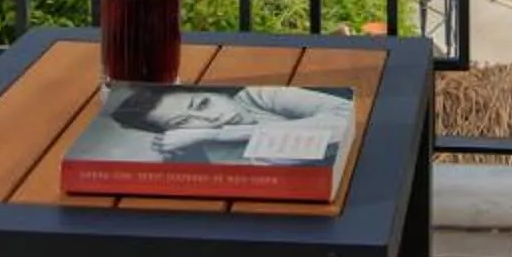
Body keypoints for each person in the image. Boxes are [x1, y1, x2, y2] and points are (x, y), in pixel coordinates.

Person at [98, 83, 348, 164]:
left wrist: (217, 134)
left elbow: (348, 118)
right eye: (184, 122)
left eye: (203, 104)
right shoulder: (219, 163)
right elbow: (329, 139)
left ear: (218, 92)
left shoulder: (253, 97)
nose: (210, 119)